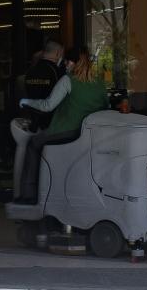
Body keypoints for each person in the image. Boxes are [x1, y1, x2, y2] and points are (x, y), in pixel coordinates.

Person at [15, 47, 108, 205]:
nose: (65, 64)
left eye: (67, 61)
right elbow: (106, 107)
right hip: (91, 135)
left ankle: (29, 194)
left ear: (73, 63)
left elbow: (47, 105)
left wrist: (26, 102)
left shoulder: (68, 80)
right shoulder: (99, 83)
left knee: (33, 143)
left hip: (67, 131)